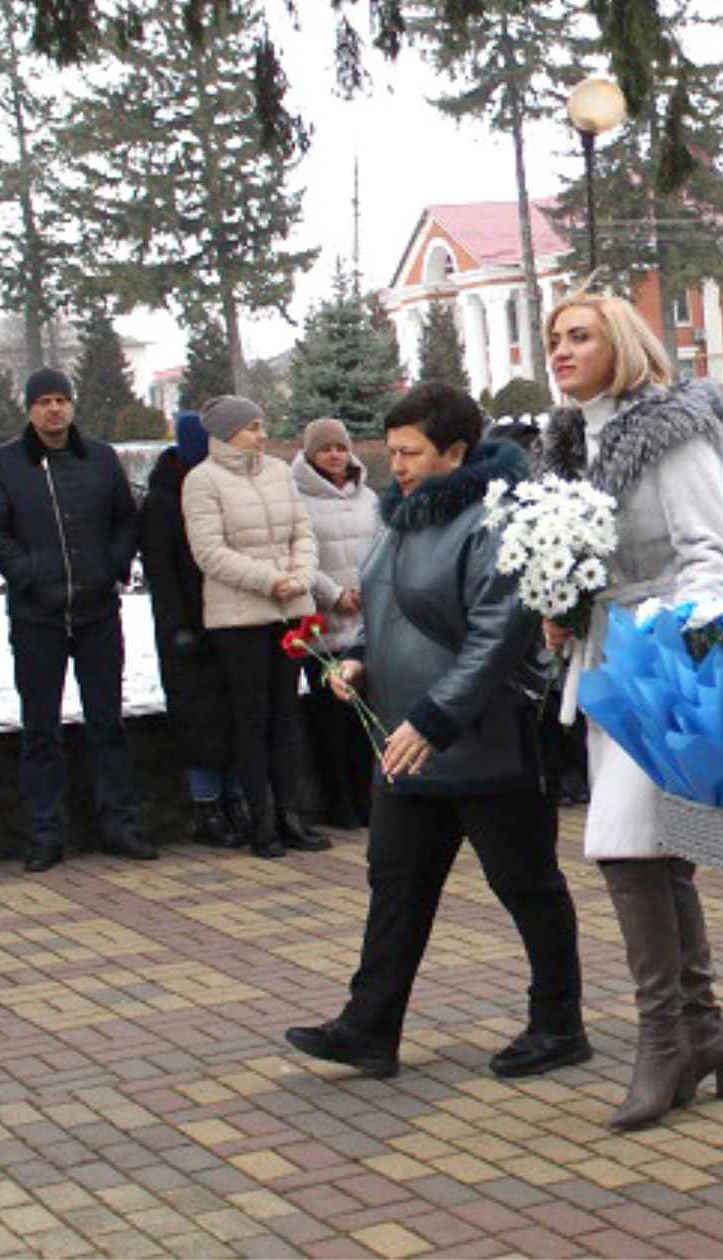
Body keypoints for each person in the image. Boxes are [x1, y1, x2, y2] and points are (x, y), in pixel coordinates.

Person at [287, 383, 588, 1082]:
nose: (395, 464)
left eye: (410, 451)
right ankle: (369, 1026)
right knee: (395, 881)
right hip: (407, 739)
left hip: (485, 739)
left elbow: (499, 632)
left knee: (525, 884)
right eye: (389, 450)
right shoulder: (402, 516)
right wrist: (357, 656)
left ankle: (558, 1022)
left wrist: (435, 716)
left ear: (457, 451)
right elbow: (382, 600)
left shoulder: (496, 520)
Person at [536, 292, 723, 1131]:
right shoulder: (565, 441)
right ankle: (701, 1028)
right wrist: (557, 599)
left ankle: (665, 1036)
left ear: (620, 341)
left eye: (578, 335)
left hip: (661, 658)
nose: (561, 349)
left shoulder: (670, 426)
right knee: (659, 854)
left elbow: (711, 552)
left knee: (622, 846)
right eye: (553, 338)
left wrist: (681, 650)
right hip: (602, 663)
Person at [0, 367, 148, 870]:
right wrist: (26, 571)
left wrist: (112, 565)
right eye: (44, 401)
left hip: (96, 611)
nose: (54, 409)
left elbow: (125, 520)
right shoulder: (5, 465)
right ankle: (46, 833)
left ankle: (120, 822)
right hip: (37, 616)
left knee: (107, 724)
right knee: (41, 729)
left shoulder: (99, 459)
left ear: (73, 405)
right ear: (29, 408)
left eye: (61, 400)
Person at [183, 395, 326, 860]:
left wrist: (301, 578)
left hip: (289, 610)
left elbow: (303, 532)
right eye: (252, 427)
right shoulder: (202, 481)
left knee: (287, 717)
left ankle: (291, 814)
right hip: (240, 617)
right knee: (252, 719)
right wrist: (270, 581)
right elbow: (209, 551)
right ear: (227, 433)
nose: (262, 435)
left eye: (262, 425)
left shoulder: (279, 472)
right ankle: (260, 819)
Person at [139, 413, 249, 849]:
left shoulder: (226, 488)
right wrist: (179, 626)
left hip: (231, 620)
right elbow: (161, 572)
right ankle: (207, 804)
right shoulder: (165, 501)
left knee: (235, 716)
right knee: (200, 722)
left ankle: (235, 799)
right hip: (187, 628)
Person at [293, 417, 383, 829]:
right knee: (330, 721)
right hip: (323, 627)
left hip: (366, 623)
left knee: (364, 723)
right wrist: (334, 594)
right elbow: (300, 556)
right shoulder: (297, 498)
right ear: (311, 453)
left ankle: (367, 798)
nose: (335, 455)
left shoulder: (369, 498)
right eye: (326, 448)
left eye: (341, 448)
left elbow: (384, 546)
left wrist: (371, 591)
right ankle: (338, 802)